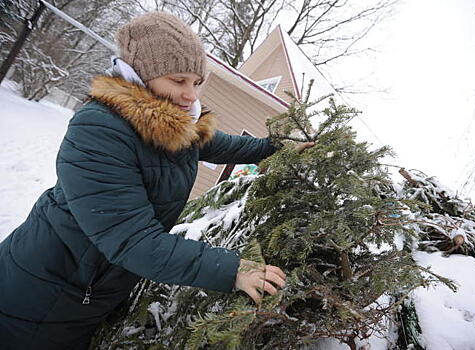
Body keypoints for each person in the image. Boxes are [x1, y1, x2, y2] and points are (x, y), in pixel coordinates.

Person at [0, 12, 313, 349]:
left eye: (196, 82)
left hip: (89, 290)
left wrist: (276, 148)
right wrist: (232, 269)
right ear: (141, 76)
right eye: (178, 81)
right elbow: (132, 239)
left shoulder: (176, 126)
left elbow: (228, 145)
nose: (191, 95)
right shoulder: (100, 129)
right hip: (41, 294)